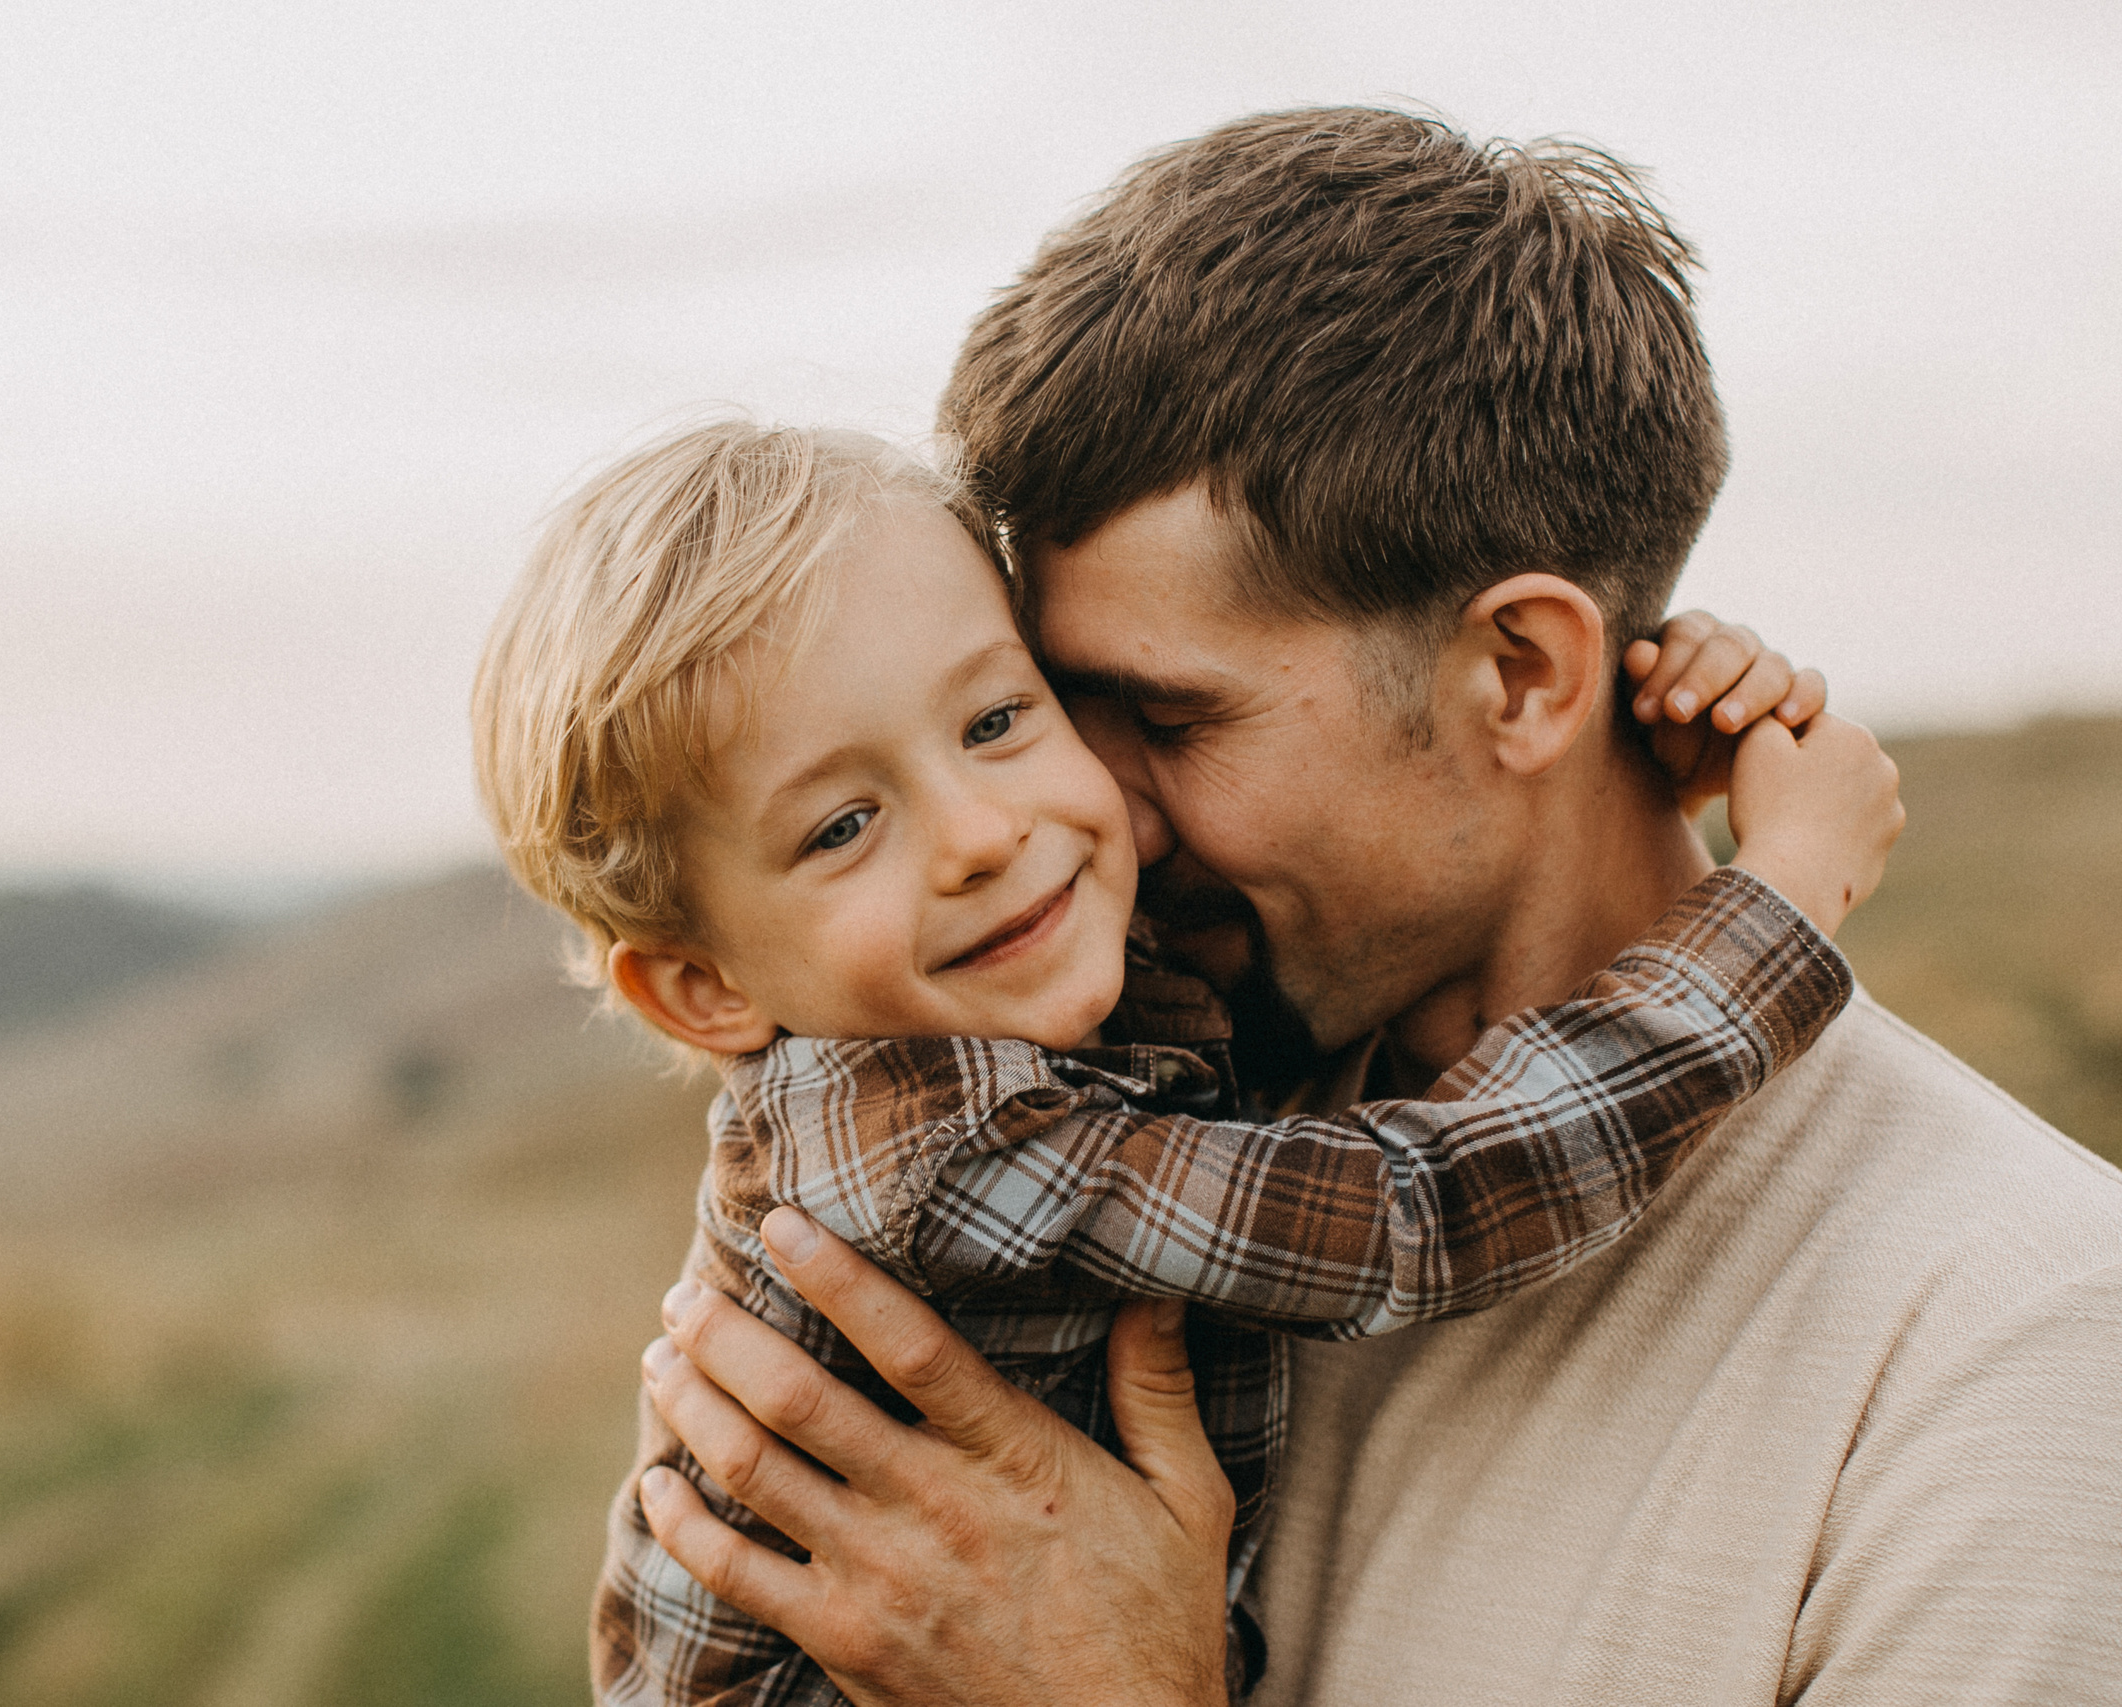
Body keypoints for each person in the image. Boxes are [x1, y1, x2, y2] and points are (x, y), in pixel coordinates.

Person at [631, 109, 2122, 1705]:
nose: (1079, 821)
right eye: (1046, 706)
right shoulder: (1116, 1097)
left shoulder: (2019, 1356)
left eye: (1176, 720)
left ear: (1525, 676)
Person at [469, 417, 1897, 1706]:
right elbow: (1412, 1208)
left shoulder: (1010, 979)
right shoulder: (945, 1146)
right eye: (842, 826)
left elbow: (1405, 777)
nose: (981, 831)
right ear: (703, 988)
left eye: (996, 720)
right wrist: (1779, 896)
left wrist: (1620, 738)